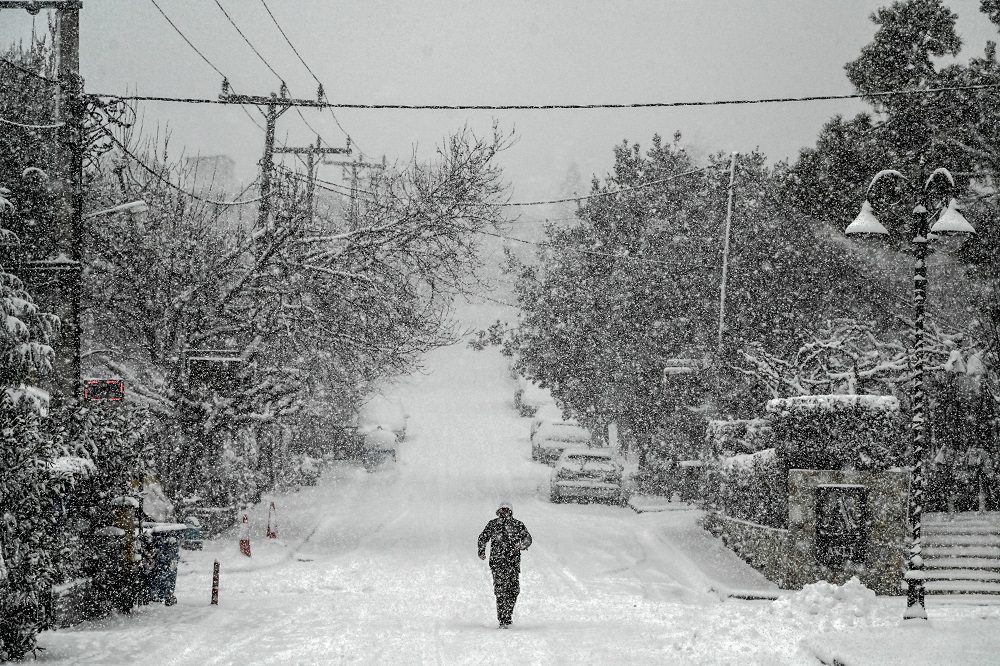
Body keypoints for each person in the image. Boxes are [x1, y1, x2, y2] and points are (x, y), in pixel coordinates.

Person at [477, 501, 532, 628]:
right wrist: (481, 550)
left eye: (507, 509)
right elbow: (482, 537)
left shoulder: (518, 525)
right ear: (498, 511)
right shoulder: (493, 524)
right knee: (500, 591)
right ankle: (503, 620)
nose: (504, 512)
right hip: (497, 563)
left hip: (513, 564)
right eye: (502, 510)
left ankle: (508, 615)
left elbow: (528, 538)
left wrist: (522, 545)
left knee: (513, 591)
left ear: (511, 511)